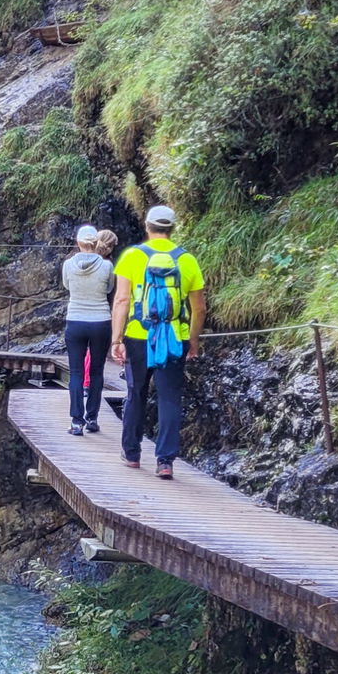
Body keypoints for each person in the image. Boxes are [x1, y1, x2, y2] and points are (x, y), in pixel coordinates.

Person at [109, 205, 206, 479]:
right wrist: (194, 341)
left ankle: (131, 452)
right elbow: (199, 308)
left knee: (136, 391)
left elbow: (122, 300)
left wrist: (117, 339)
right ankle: (165, 461)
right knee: (170, 398)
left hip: (139, 335)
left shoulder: (132, 256)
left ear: (147, 226)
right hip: (175, 338)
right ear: (172, 229)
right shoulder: (187, 261)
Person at [63, 226, 114, 436]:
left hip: (75, 319)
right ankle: (92, 418)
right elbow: (109, 289)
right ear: (96, 242)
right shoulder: (107, 265)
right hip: (100, 320)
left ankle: (76, 421)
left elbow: (67, 286)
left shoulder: (68, 264)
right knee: (96, 371)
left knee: (76, 372)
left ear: (78, 242)